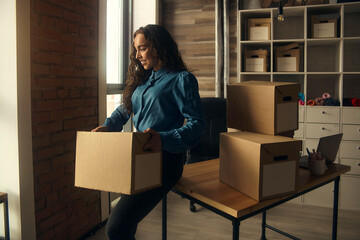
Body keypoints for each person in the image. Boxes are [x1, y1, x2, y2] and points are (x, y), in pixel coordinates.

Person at [91, 24, 205, 240]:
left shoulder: (181, 79)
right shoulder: (142, 81)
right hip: (139, 158)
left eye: (142, 48)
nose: (137, 55)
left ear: (158, 47)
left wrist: (163, 139)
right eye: (136, 49)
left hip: (166, 162)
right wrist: (109, 126)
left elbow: (197, 124)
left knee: (116, 228)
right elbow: (125, 108)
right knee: (125, 225)